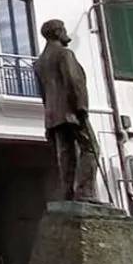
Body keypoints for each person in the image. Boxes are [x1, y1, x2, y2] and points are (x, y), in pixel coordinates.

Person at [33, 18, 99, 202]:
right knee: (91, 148)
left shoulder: (39, 63)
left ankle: (67, 192)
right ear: (56, 32)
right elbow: (74, 81)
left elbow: (43, 94)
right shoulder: (64, 54)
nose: (65, 33)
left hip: (53, 116)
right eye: (63, 29)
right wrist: (81, 107)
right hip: (71, 112)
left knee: (66, 155)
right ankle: (85, 192)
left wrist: (48, 120)